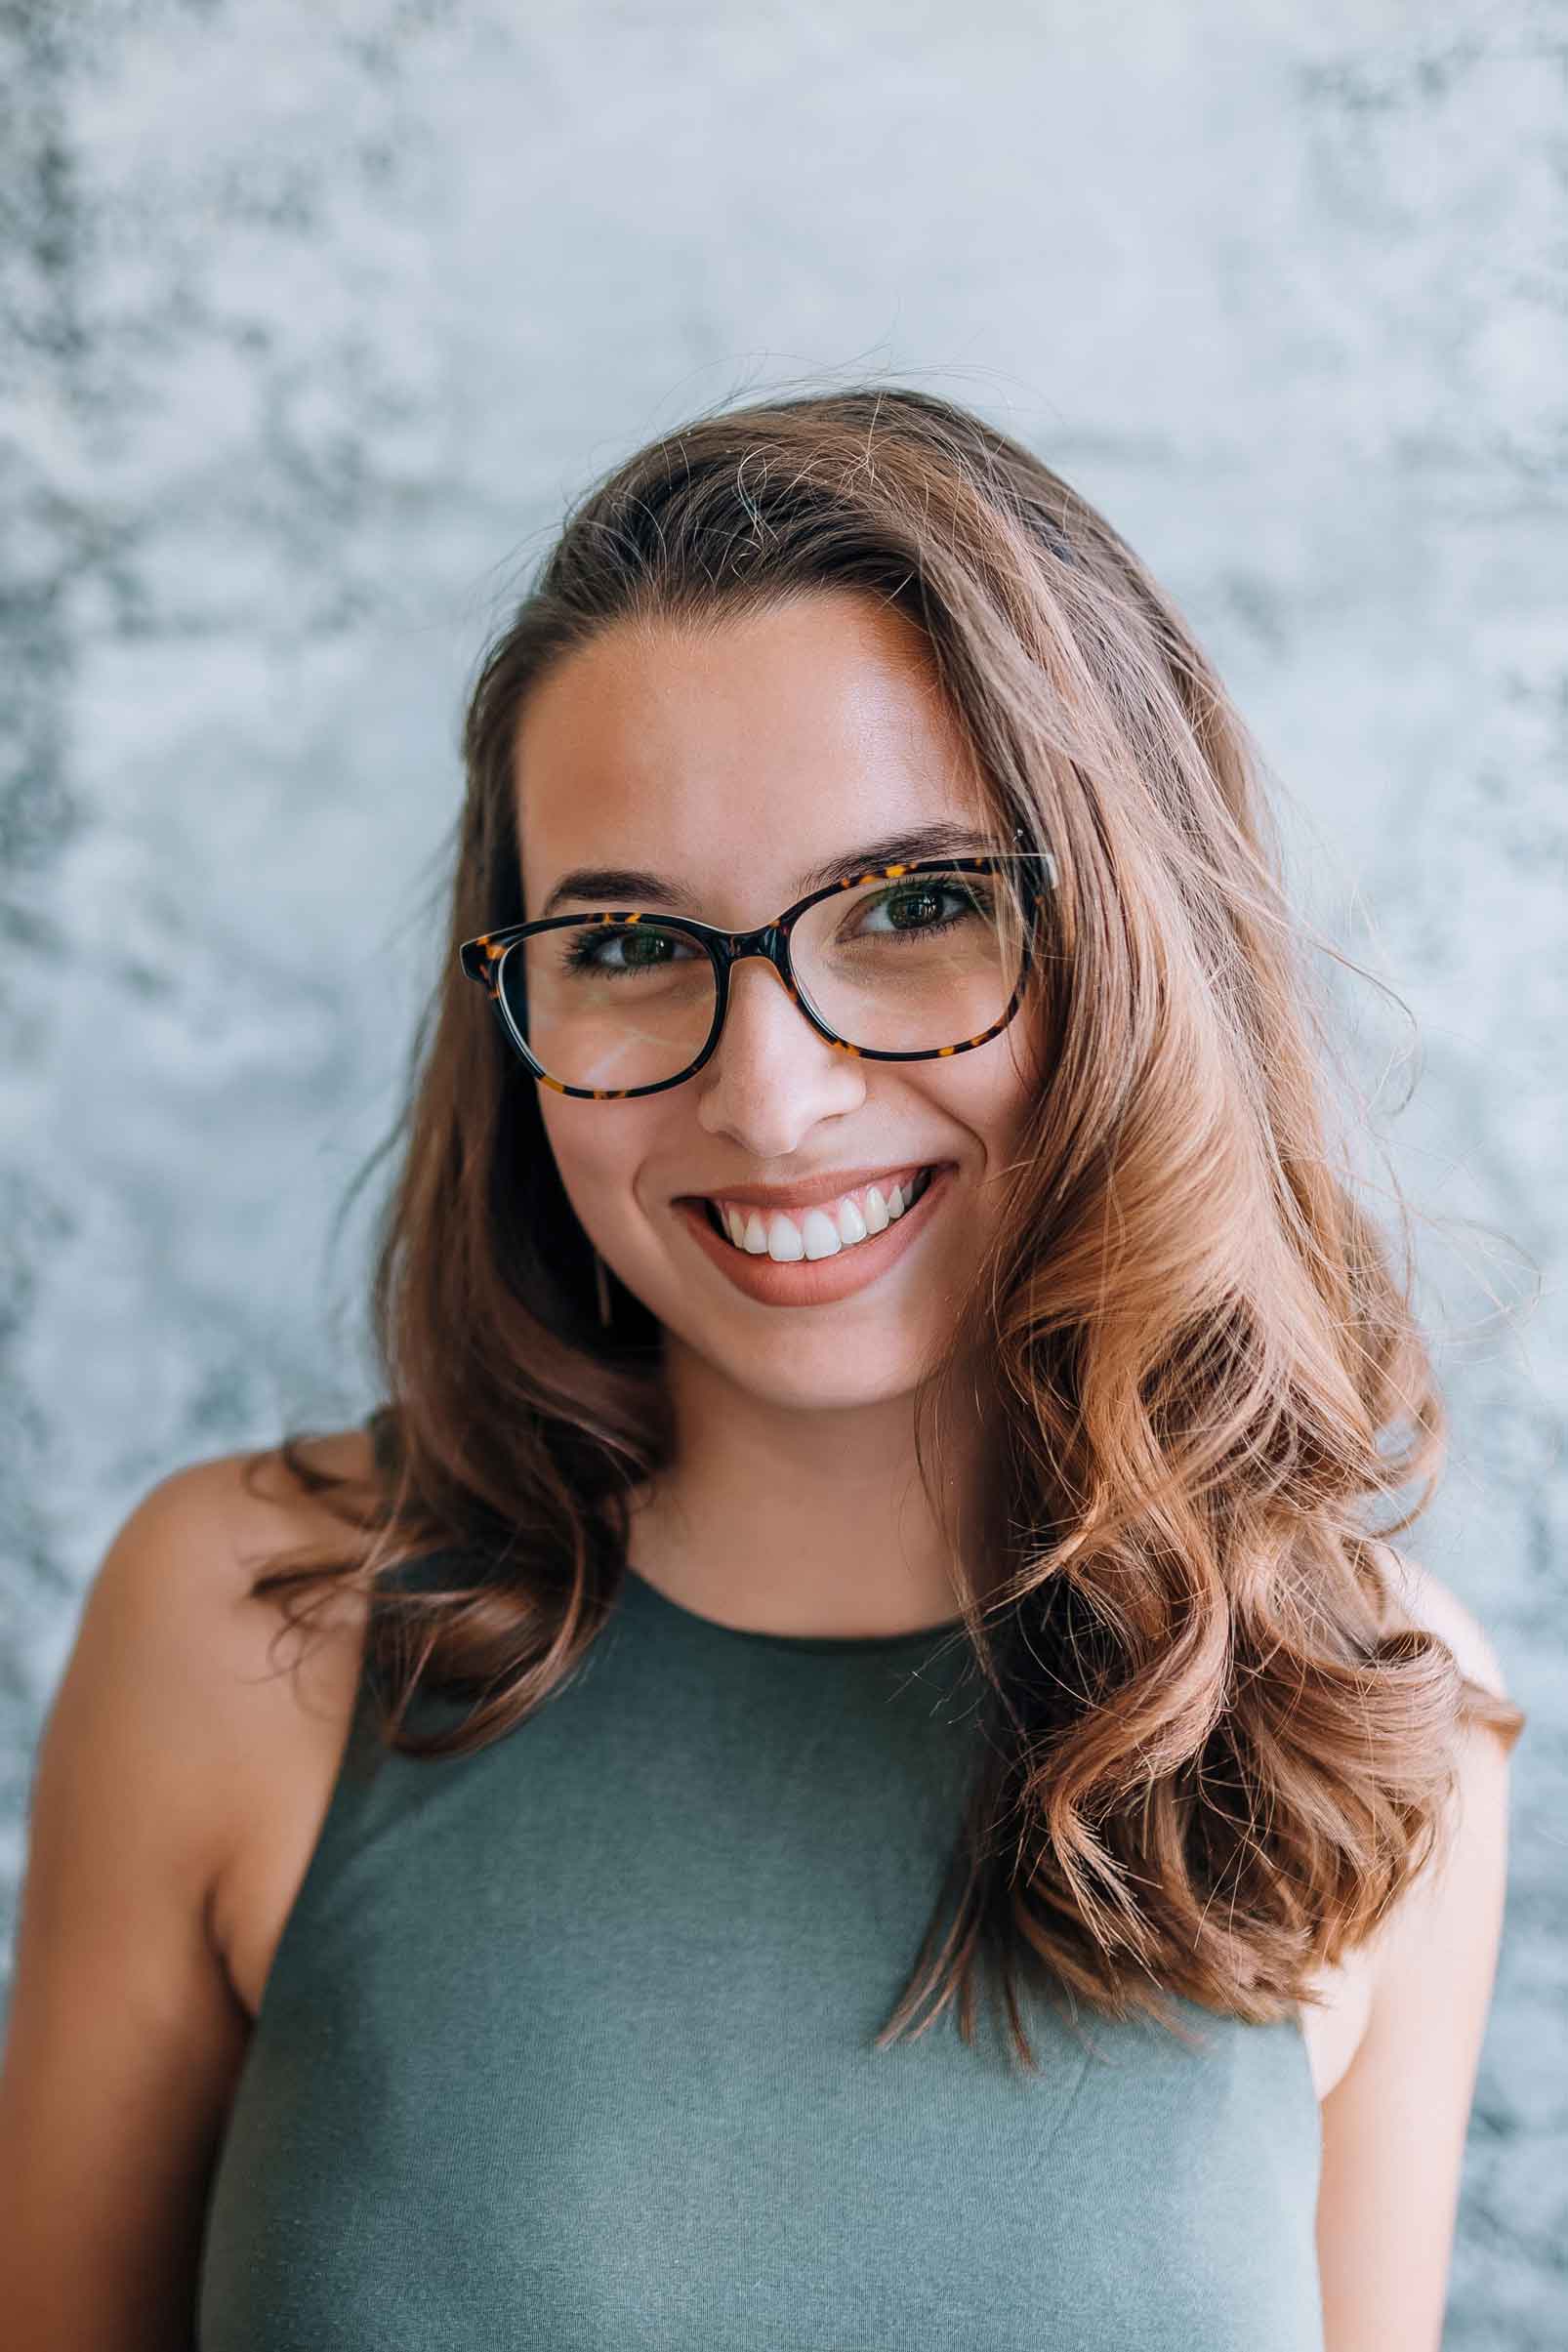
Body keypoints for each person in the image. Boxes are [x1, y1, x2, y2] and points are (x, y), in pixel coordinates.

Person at [0, 386, 1525, 2350]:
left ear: (1134, 942)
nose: (772, 1097)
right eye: (627, 939)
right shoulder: (242, 1623)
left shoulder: (1369, 1715)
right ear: (515, 1001)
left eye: (914, 906)